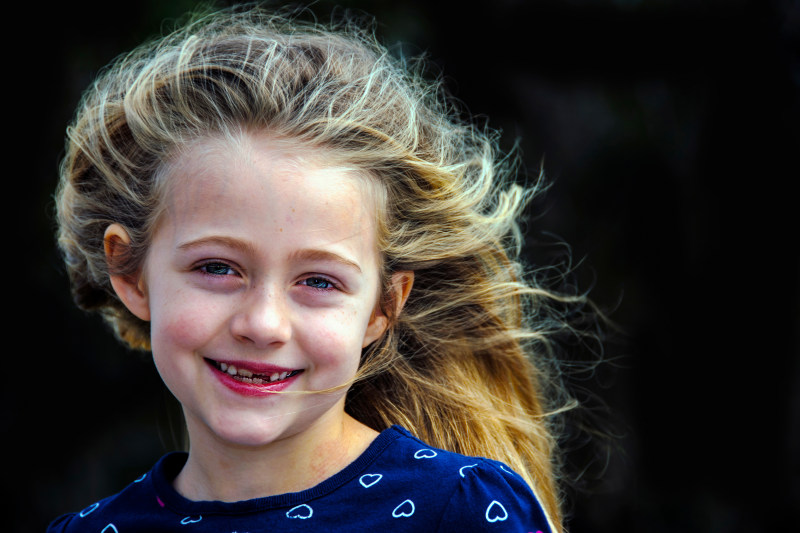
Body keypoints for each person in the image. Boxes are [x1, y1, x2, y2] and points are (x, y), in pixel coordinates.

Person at [50, 5, 589, 532]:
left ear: (382, 307)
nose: (263, 325)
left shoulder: (460, 511)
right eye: (218, 268)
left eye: (318, 281)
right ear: (131, 273)